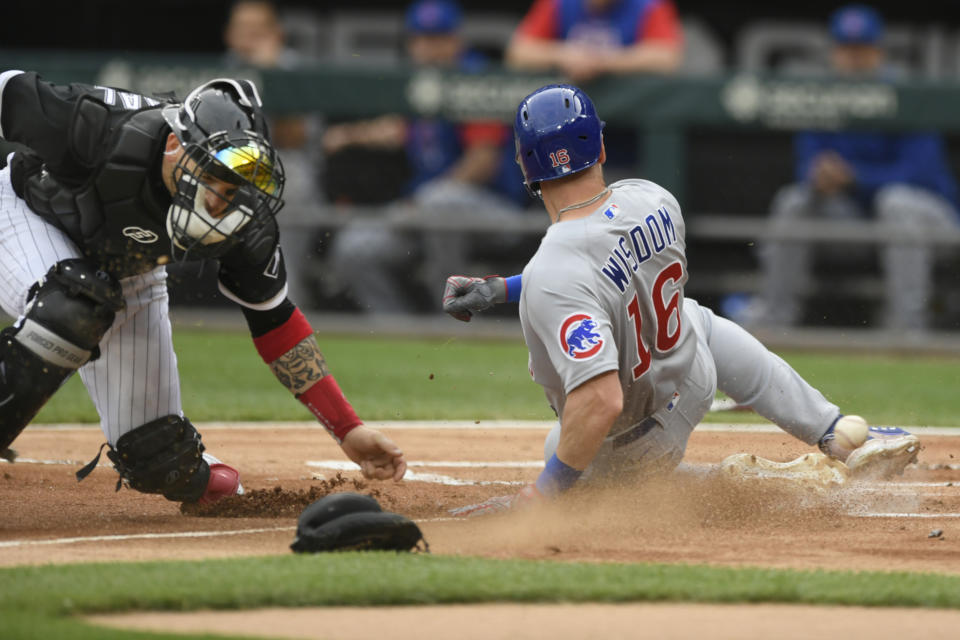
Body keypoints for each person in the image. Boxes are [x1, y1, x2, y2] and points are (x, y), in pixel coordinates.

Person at [441, 84, 919, 515]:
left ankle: (750, 487)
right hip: (695, 375)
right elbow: (601, 269)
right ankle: (834, 430)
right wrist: (503, 288)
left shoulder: (553, 270)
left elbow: (600, 399)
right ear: (601, 146)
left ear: (525, 166)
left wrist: (541, 495)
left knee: (563, 454)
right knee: (696, 318)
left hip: (636, 442)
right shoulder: (652, 198)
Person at [0, 71, 406, 505]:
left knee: (159, 457)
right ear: (175, 145)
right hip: (26, 215)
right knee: (72, 307)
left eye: (238, 183)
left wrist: (347, 428)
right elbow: (8, 89)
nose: (224, 199)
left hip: (126, 270)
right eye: (214, 176)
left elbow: (275, 323)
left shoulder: (244, 221)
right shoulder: (97, 124)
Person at [747, 4, 959, 331]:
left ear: (878, 52)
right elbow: (806, 162)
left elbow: (921, 176)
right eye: (847, 49)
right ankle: (774, 322)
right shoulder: (822, 97)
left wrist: (855, 177)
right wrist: (819, 177)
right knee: (795, 201)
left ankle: (908, 331)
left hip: (930, 223)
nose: (854, 58)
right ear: (834, 53)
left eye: (862, 49)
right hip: (856, 225)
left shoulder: (907, 94)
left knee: (896, 201)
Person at [324, 0, 532, 314]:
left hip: (495, 211)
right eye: (421, 39)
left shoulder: (473, 78)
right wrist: (350, 135)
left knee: (441, 202)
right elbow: (397, 130)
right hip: (425, 212)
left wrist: (420, 204)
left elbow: (482, 162)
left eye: (438, 38)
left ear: (456, 39)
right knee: (354, 247)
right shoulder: (420, 82)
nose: (429, 48)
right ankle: (399, 332)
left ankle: (448, 318)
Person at [222, 0, 325, 307]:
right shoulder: (223, 69)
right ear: (229, 35)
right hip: (231, 167)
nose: (249, 38)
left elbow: (294, 139)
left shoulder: (290, 69)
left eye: (258, 31)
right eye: (243, 30)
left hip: (284, 168)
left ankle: (288, 303)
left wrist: (268, 79)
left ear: (277, 34)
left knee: (287, 173)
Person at [505, 0, 685, 82]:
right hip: (566, 118)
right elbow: (518, 52)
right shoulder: (558, 3)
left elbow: (667, 57)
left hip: (627, 122)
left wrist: (601, 61)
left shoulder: (650, 5)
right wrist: (563, 54)